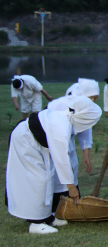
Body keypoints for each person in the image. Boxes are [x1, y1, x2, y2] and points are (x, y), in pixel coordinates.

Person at [6, 97, 101, 234]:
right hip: (25, 141)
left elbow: (63, 156)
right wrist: (71, 188)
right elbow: (61, 158)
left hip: (38, 145)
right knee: (38, 180)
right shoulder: (61, 126)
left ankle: (47, 217)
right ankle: (36, 223)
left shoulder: (66, 120)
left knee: (48, 178)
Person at [47, 79, 99, 215]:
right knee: (59, 172)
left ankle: (72, 202)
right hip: (54, 141)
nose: (93, 100)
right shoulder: (60, 105)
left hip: (67, 141)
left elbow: (85, 130)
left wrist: (86, 154)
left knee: (72, 167)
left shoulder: (86, 107)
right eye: (91, 97)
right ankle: (55, 207)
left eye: (96, 98)